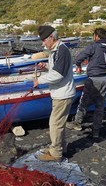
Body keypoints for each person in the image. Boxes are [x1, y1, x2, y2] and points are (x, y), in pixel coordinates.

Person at [33, 26, 75, 162]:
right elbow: (56, 68)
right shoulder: (56, 51)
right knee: (59, 123)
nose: (43, 43)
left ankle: (56, 153)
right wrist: (45, 67)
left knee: (55, 124)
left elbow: (58, 75)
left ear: (51, 37)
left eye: (44, 40)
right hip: (59, 93)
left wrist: (39, 80)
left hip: (63, 94)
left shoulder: (62, 50)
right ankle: (60, 147)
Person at [66, 28, 106, 138]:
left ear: (97, 36)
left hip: (94, 79)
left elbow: (79, 57)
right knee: (100, 105)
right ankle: (96, 131)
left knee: (84, 102)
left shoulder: (94, 46)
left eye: (94, 35)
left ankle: (77, 123)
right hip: (105, 79)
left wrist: (78, 65)